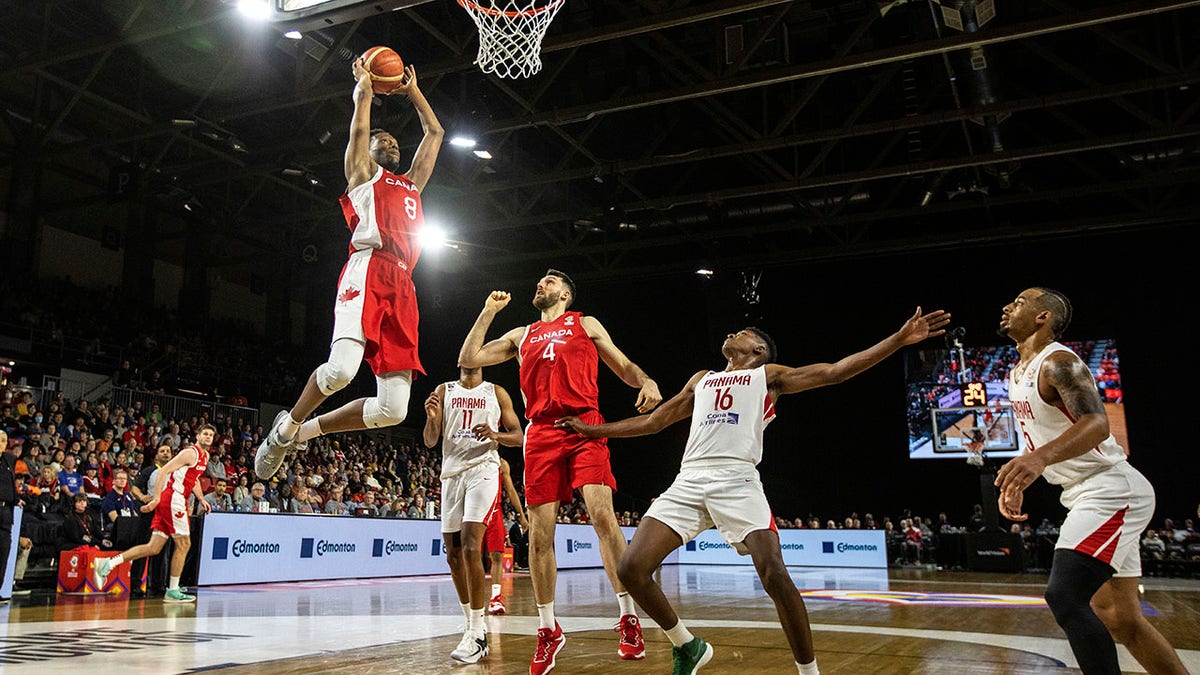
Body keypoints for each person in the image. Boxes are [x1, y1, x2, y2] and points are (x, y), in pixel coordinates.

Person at [556, 307, 949, 675]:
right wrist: (594, 431)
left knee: (774, 573)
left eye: (741, 333)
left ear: (758, 350)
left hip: (737, 479)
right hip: (689, 479)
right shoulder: (702, 379)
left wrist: (897, 340)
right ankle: (687, 645)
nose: (731, 333)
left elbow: (835, 371)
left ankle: (808, 671)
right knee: (631, 569)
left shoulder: (769, 375)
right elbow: (656, 422)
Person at [254, 50, 444, 480]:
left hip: (403, 286)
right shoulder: (363, 174)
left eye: (393, 140)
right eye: (382, 140)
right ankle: (284, 429)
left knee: (394, 410)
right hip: (368, 267)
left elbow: (435, 132)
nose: (390, 141)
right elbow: (359, 128)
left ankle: (305, 433)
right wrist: (364, 89)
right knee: (341, 370)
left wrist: (414, 93)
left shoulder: (411, 184)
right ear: (369, 151)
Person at [458, 276, 663, 673]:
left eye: (548, 282)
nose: (540, 285)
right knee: (540, 537)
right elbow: (470, 358)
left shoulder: (585, 324)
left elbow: (621, 365)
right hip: (541, 432)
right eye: (538, 281)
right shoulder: (523, 333)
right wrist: (488, 312)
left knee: (603, 517)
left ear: (565, 294)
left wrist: (647, 380)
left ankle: (627, 616)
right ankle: (548, 629)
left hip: (585, 425)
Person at [992, 287, 1188, 675]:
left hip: (1110, 490)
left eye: (1019, 302)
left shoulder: (1060, 362)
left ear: (1042, 317)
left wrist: (1039, 459)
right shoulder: (1018, 372)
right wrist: (1023, 478)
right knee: (1120, 618)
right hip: (1085, 492)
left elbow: (1097, 424)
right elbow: (1043, 440)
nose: (1007, 306)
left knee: (1064, 596)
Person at [422, 365, 523, 664]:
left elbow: (519, 436)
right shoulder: (443, 390)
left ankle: (478, 631)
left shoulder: (496, 392)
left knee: (469, 545)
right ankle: (471, 625)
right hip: (451, 475)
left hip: (483, 470)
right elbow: (430, 440)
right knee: (453, 556)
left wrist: (495, 434)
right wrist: (431, 420)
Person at [94, 424, 215, 603]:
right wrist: (157, 498)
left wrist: (202, 498)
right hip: (173, 499)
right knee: (184, 544)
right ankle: (173, 590)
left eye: (211, 435)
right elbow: (163, 472)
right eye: (205, 433)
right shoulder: (190, 453)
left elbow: (194, 478)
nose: (208, 437)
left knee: (153, 547)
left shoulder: (205, 456)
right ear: (198, 436)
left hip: (177, 499)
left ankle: (108, 563)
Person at [486, 456, 528, 615]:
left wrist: (521, 515)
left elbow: (510, 491)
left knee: (497, 555)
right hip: (475, 508)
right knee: (471, 554)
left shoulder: (502, 463)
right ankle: (471, 601)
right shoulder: (473, 456)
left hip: (494, 509)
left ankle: (495, 598)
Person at [0, 430, 19, 603]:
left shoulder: (9, 460)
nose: (1, 443)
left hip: (5, 512)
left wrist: (17, 499)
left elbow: (11, 483)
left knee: (3, 550)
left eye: (4, 440)